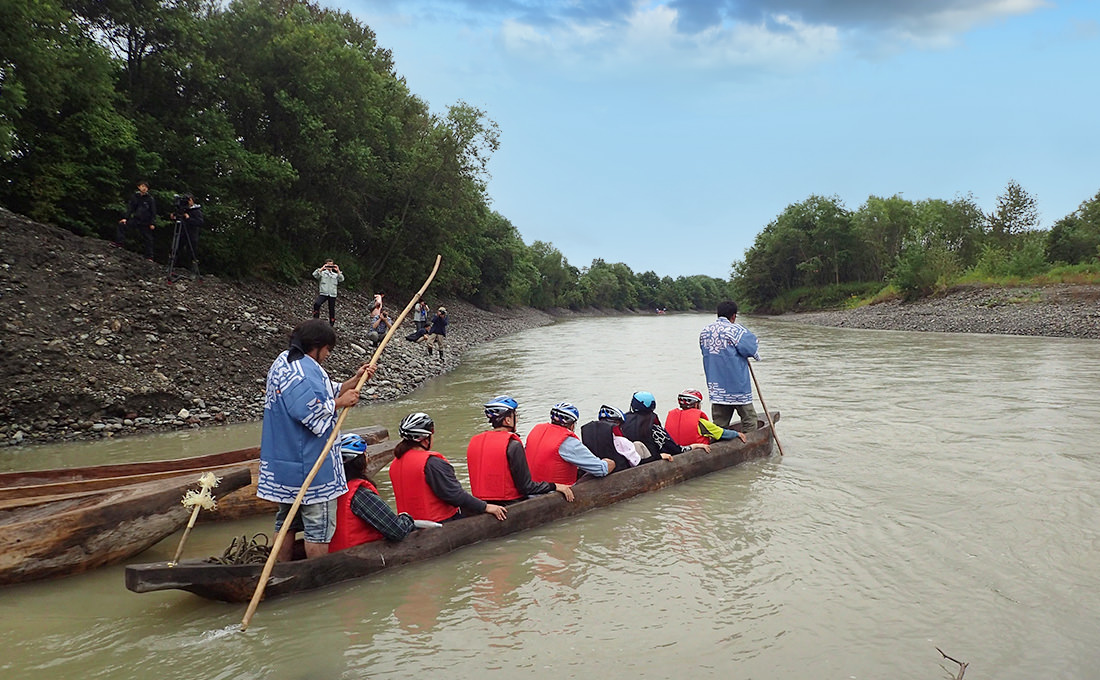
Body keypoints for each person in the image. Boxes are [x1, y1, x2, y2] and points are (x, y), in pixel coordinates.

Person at [256, 319, 374, 561]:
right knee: (318, 528)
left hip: (285, 462)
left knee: (287, 522)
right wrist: (340, 403)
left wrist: (356, 379)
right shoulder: (302, 371)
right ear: (317, 345)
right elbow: (308, 412)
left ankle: (282, 569)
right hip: (310, 464)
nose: (328, 355)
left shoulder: (285, 362)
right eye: (328, 349)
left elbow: (326, 390)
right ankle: (315, 579)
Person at [388, 411, 508, 523]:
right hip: (439, 523)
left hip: (411, 523)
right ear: (425, 439)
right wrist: (486, 506)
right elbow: (455, 495)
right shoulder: (432, 463)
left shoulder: (395, 463)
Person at [466, 396, 575, 504]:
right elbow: (527, 487)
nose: (517, 419)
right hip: (511, 503)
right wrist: (555, 486)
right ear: (508, 420)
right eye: (515, 415)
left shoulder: (474, 441)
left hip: (482, 503)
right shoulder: (513, 445)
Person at [329, 433, 416, 552]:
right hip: (354, 554)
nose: (368, 458)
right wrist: (407, 518)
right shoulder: (360, 494)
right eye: (366, 455)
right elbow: (398, 531)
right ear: (360, 462)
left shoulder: (331, 490)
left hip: (337, 550)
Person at [700, 300, 760, 432]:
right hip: (737, 385)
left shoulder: (705, 331)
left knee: (719, 423)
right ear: (733, 316)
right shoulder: (736, 330)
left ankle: (717, 447)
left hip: (716, 386)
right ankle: (749, 444)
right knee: (749, 419)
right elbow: (751, 347)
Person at [526, 402, 615, 484]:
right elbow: (601, 469)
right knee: (604, 468)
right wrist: (609, 463)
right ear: (572, 425)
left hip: (533, 489)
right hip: (553, 493)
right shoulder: (568, 442)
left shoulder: (536, 429)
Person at [621, 391, 710, 464]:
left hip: (628, 462)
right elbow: (677, 450)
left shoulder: (622, 423)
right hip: (649, 462)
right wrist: (695, 446)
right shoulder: (654, 428)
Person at [664, 389, 747, 447]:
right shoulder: (700, 422)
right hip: (695, 451)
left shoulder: (672, 417)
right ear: (696, 405)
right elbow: (722, 433)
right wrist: (737, 434)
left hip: (677, 450)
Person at [579, 404, 646, 472]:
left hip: (597, 473)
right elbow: (636, 462)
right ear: (617, 423)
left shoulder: (588, 438)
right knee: (638, 444)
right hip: (622, 473)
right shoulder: (620, 441)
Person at [115, 180, 157, 259]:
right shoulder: (135, 197)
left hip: (146, 221)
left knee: (148, 238)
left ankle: (149, 256)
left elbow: (153, 211)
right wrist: (125, 218)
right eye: (142, 186)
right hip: (136, 219)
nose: (144, 188)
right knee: (122, 225)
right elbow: (130, 208)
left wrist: (152, 223)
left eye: (146, 187)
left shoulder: (150, 199)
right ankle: (119, 243)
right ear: (139, 187)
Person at [169, 194, 204, 276]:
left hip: (192, 234)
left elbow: (200, 222)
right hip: (181, 232)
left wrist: (189, 218)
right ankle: (171, 266)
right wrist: (174, 216)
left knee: (192, 252)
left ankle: (194, 271)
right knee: (176, 248)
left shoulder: (196, 211)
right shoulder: (184, 209)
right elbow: (178, 216)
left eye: (189, 200)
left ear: (192, 200)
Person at [311, 259, 344, 327]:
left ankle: (331, 322)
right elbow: (315, 275)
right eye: (328, 265)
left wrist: (338, 270)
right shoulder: (322, 273)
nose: (330, 267)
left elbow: (341, 279)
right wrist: (322, 268)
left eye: (331, 265)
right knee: (317, 304)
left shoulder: (335, 275)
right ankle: (316, 317)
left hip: (332, 294)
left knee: (331, 309)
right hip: (324, 293)